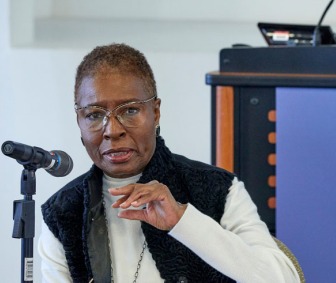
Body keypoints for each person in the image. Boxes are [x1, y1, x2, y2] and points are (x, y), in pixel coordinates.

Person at [38, 43, 301, 283]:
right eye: (94, 115)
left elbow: (283, 279)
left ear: (155, 112)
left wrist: (182, 220)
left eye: (130, 110)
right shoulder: (63, 214)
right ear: (79, 123)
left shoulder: (218, 189)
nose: (112, 130)